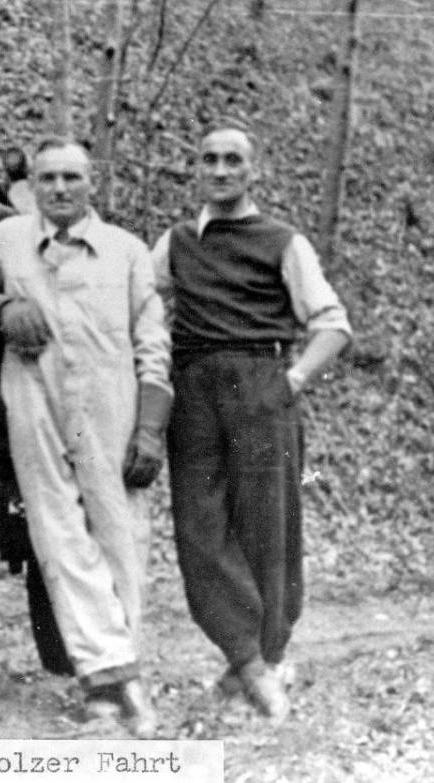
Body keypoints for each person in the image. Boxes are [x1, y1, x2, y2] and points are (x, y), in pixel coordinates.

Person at [151, 127, 352, 723]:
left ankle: (263, 658)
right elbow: (140, 299)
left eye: (232, 160)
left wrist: (288, 383)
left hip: (261, 385)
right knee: (200, 527)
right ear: (195, 169)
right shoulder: (178, 241)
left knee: (269, 528)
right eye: (208, 159)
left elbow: (333, 325)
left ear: (253, 170)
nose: (219, 170)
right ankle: (247, 658)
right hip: (193, 389)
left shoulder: (282, 241)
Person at [0, 138, 171, 738]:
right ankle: (105, 686)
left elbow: (153, 342)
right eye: (47, 178)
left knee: (119, 533)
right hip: (33, 392)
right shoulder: (6, 239)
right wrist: (5, 306)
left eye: (72, 177)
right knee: (56, 534)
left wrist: (151, 428)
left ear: (92, 183)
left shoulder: (127, 250)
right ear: (31, 183)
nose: (59, 188)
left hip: (108, 398)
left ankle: (123, 671)